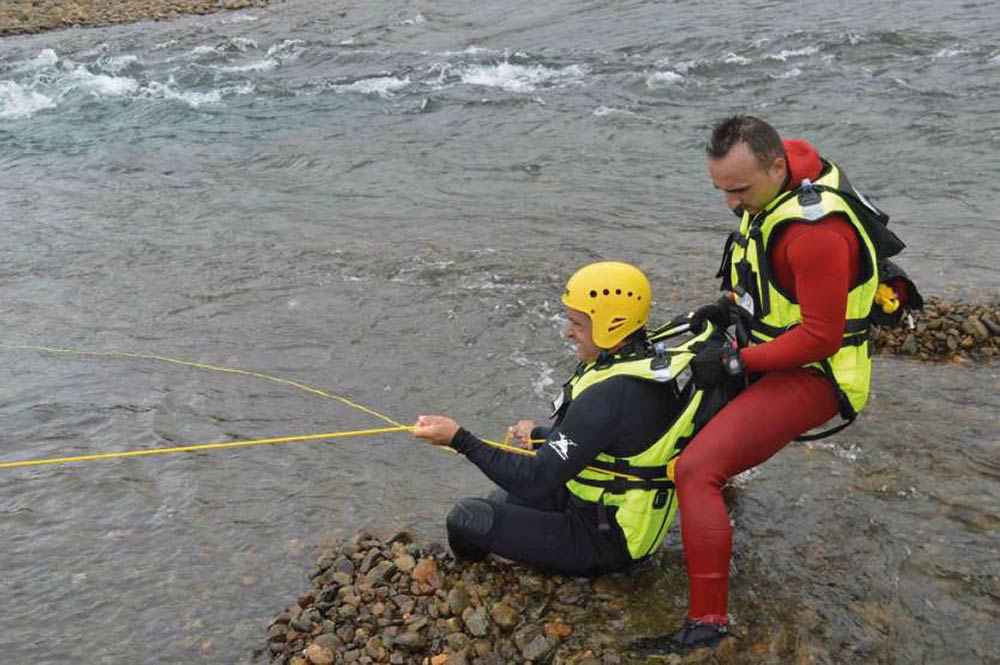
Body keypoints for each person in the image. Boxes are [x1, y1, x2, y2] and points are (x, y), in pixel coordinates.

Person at [632, 115, 910, 654]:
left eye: (739, 190)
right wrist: (726, 309)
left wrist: (738, 362)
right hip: (769, 349)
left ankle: (707, 624)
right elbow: (764, 284)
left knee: (694, 469)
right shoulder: (770, 191)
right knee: (674, 411)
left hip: (817, 373)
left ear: (777, 165)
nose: (731, 204)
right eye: (721, 190)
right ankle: (720, 509)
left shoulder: (815, 235)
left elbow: (821, 338)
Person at [413, 261, 728, 577]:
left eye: (577, 324)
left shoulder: (612, 394)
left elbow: (535, 480)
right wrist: (538, 434)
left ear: (611, 324)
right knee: (500, 499)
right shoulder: (640, 362)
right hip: (594, 504)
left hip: (606, 540)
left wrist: (458, 439)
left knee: (466, 518)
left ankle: (468, 580)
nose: (568, 332)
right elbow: (605, 441)